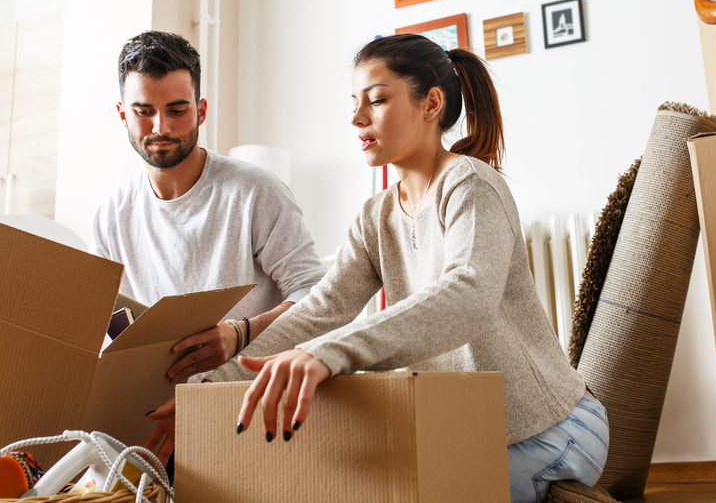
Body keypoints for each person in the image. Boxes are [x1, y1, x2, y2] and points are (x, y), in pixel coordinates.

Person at [192, 33, 609, 502]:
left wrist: (328, 354)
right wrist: (205, 395)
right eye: (354, 103)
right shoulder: (376, 217)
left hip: (552, 430)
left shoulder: (469, 183)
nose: (357, 118)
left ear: (431, 104)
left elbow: (468, 295)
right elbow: (320, 311)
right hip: (465, 433)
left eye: (377, 100)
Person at [91, 31, 326, 389]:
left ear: (200, 111)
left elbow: (318, 297)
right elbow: (101, 320)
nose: (161, 127)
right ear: (123, 115)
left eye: (177, 110)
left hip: (246, 400)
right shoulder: (112, 215)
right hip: (152, 410)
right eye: (144, 112)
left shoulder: (255, 192)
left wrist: (241, 334)